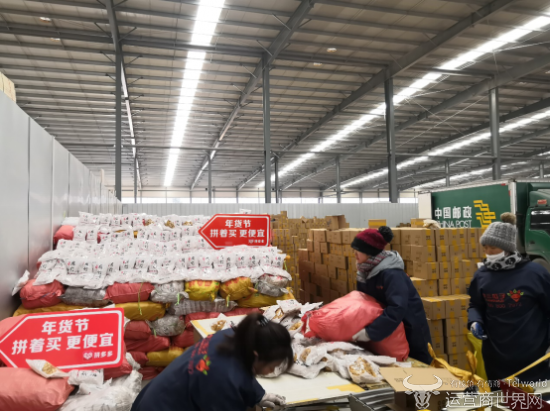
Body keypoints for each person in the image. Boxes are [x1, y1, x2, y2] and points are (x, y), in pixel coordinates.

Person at [131, 313, 292, 411]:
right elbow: (231, 380)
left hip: (155, 397)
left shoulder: (231, 337)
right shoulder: (223, 380)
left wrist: (259, 395)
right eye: (272, 366)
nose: (272, 372)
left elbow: (242, 372)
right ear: (256, 355)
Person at [468, 213, 550, 382]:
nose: (488, 252)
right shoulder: (482, 275)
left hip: (533, 355)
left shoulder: (534, 274)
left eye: (493, 248)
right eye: (485, 247)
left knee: (533, 396)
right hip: (496, 356)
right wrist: (475, 321)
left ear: (508, 248)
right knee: (501, 396)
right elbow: (475, 304)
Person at [350, 226, 432, 364]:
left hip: (410, 330)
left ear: (370, 252)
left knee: (419, 368)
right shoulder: (364, 273)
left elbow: (397, 308)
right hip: (388, 331)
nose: (355, 254)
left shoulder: (392, 274)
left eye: (359, 251)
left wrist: (371, 332)